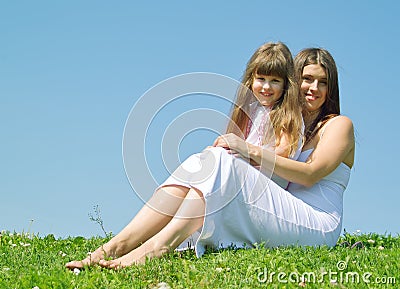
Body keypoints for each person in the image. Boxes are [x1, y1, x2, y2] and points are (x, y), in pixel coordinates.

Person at [65, 41, 305, 270]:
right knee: (198, 162)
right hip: (238, 187)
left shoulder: (287, 113)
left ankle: (159, 246)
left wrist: (240, 150)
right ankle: (116, 245)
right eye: (260, 79)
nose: (266, 87)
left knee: (217, 161)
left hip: (263, 196)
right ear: (250, 79)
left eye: (275, 81)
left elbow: (282, 154)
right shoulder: (250, 110)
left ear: (286, 85)